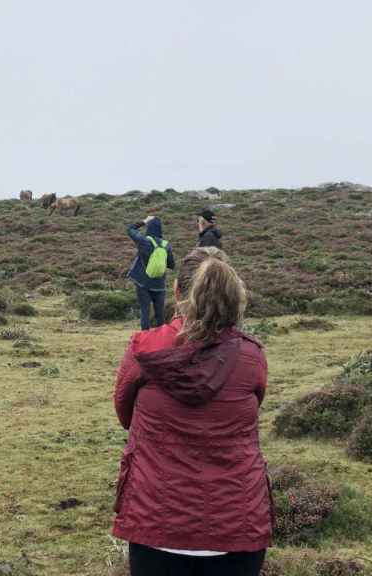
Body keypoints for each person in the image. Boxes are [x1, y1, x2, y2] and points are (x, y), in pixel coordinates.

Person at [112, 247, 271, 576]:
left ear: (176, 292)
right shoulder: (252, 357)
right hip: (236, 524)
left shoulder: (143, 350)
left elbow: (125, 416)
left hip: (155, 521)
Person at [127, 216, 175, 330]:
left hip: (143, 283)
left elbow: (130, 229)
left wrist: (143, 221)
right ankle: (161, 340)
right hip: (159, 284)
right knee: (160, 315)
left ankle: (145, 338)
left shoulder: (144, 241)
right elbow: (172, 265)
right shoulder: (165, 245)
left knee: (145, 311)